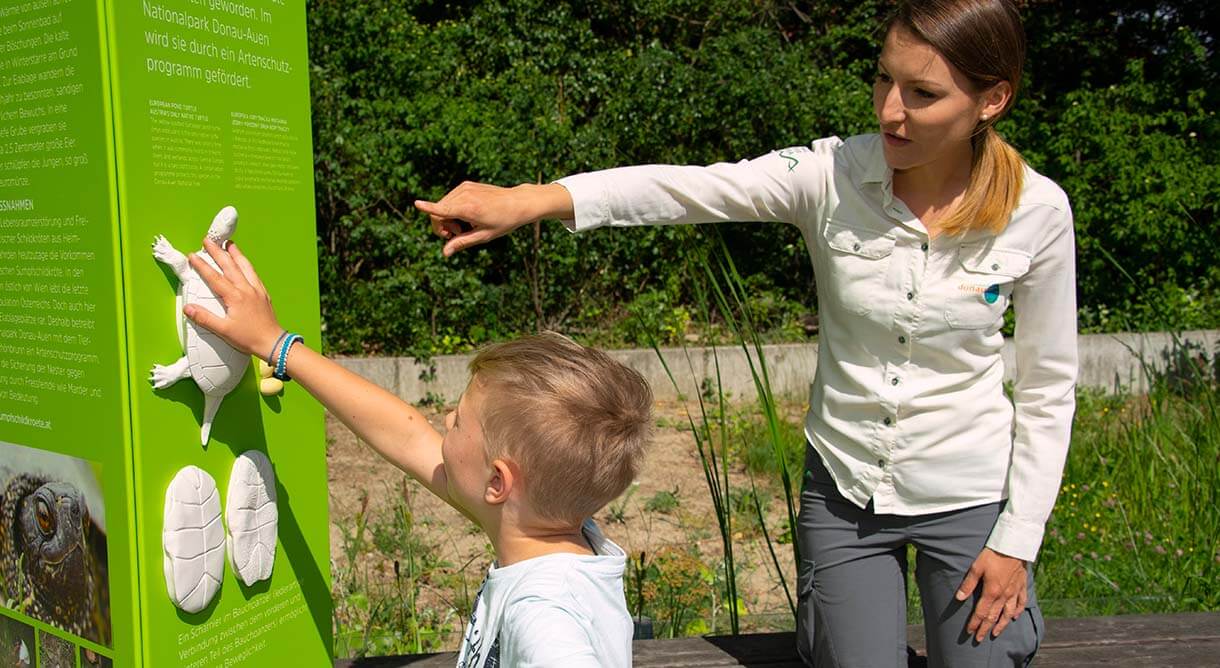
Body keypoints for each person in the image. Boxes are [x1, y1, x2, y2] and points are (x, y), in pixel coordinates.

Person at [414, 0, 1076, 665]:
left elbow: (1048, 387)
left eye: (923, 94)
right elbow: (689, 190)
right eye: (884, 78)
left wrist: (1016, 539)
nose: (888, 109)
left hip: (970, 496)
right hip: (846, 489)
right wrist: (530, 200)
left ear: (992, 100)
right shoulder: (832, 175)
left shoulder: (1038, 211)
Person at [181, 238, 653, 667]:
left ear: (497, 482)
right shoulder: (556, 530)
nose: (444, 419)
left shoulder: (544, 613)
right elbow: (406, 435)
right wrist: (276, 344)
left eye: (459, 420)